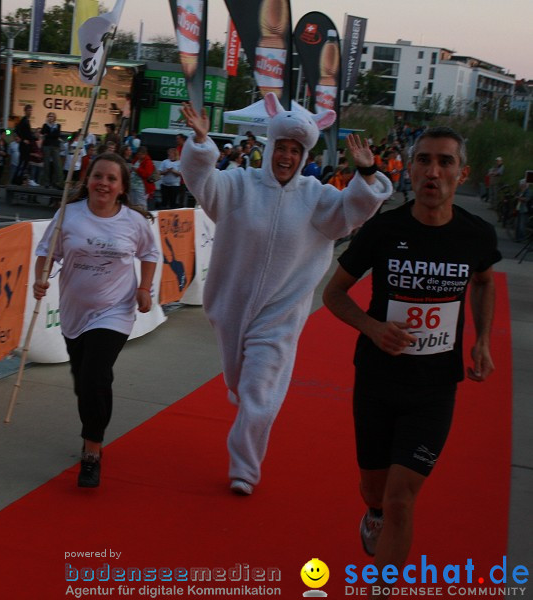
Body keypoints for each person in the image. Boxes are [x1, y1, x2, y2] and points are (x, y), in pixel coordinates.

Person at [179, 94, 393, 496]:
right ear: (269, 147)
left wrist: (367, 174)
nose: (287, 156)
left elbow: (354, 210)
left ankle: (244, 469)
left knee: (259, 391)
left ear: (304, 154)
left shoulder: (317, 196)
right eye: (282, 147)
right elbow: (202, 183)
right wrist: (203, 147)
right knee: (242, 382)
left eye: (296, 150)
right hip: (232, 305)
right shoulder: (239, 185)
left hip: (280, 315)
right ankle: (241, 392)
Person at [322, 127, 501, 598]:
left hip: (434, 388)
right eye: (423, 160)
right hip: (378, 383)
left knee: (403, 500)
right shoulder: (384, 229)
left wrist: (481, 340)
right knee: (375, 492)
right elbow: (333, 294)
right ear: (412, 167)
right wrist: (373, 327)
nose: (433, 171)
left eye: (445, 162)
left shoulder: (475, 234)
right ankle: (372, 514)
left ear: (461, 174)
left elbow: (483, 281)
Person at [32, 152, 160, 488]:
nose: (103, 183)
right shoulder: (68, 215)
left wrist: (145, 288)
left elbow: (150, 253)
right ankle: (93, 426)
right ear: (87, 180)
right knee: (82, 379)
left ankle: (92, 452)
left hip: (115, 310)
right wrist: (40, 279)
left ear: (121, 188)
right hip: (75, 312)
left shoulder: (133, 221)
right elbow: (46, 252)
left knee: (96, 376)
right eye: (97, 176)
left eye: (111, 179)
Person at [13, 104, 36, 184]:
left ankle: (18, 179)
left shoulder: (26, 120)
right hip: (24, 145)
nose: (30, 112)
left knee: (24, 162)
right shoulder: (24, 120)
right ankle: (16, 179)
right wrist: (22, 140)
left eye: (31, 110)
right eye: (29, 110)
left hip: (26, 144)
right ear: (25, 111)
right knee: (23, 162)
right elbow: (17, 130)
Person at [40, 111, 63, 189]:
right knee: (46, 165)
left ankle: (59, 182)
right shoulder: (45, 125)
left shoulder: (58, 125)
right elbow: (42, 132)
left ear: (54, 118)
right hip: (46, 146)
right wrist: (50, 132)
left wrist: (48, 134)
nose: (50, 117)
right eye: (49, 116)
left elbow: (57, 135)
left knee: (57, 165)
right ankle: (46, 182)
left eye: (52, 116)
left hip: (55, 146)